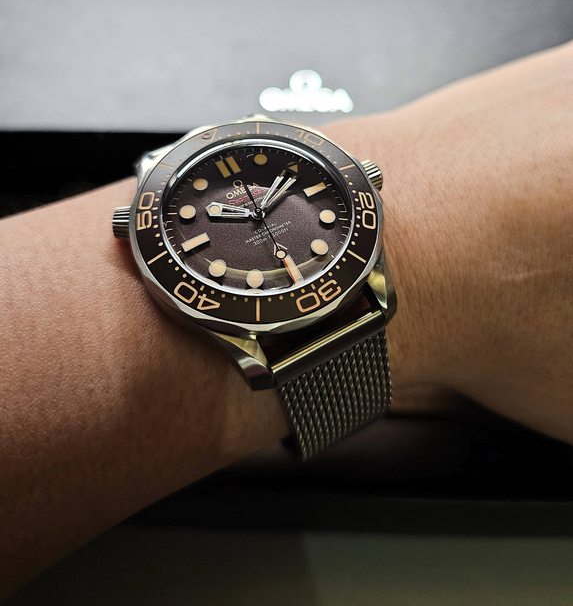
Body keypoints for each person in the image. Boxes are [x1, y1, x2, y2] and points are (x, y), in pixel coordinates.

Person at [0, 41, 571, 599]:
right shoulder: (171, 239)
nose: (255, 214)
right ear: (132, 226)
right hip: (262, 331)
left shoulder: (358, 263)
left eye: (263, 203)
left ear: (365, 177)